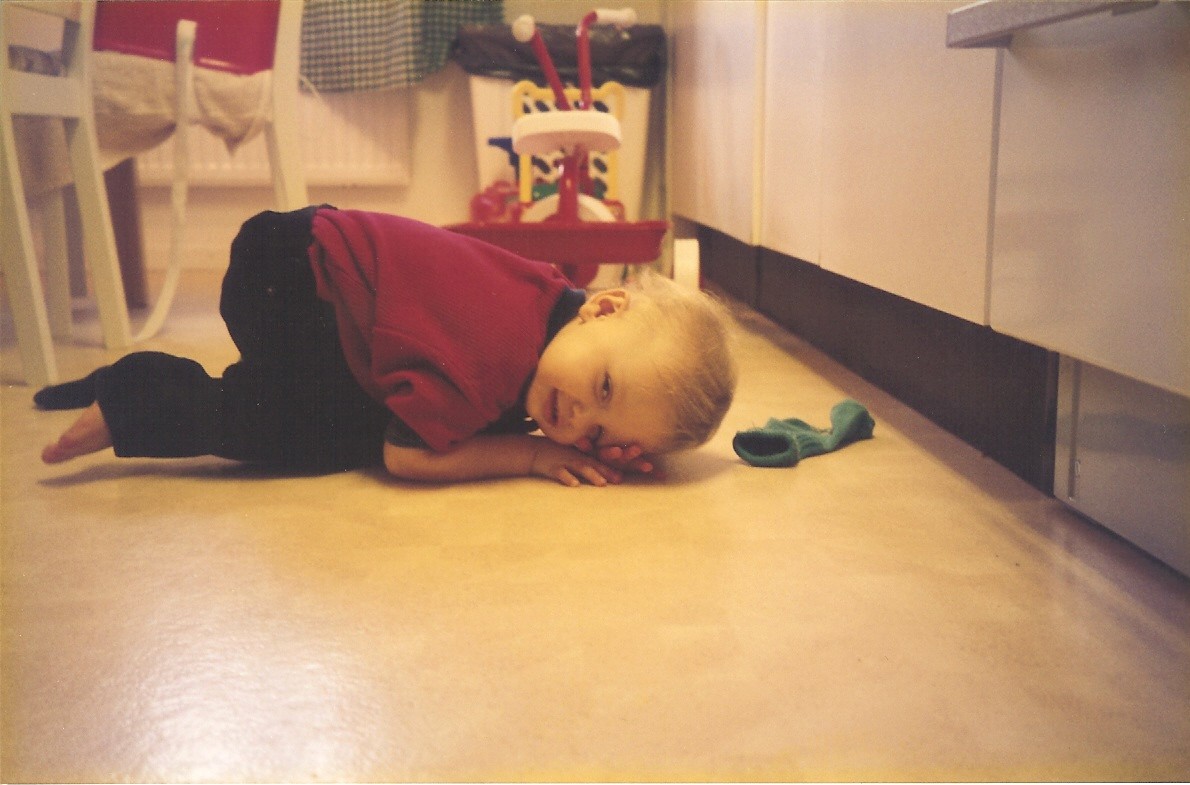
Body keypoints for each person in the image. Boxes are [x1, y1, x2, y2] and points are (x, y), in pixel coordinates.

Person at [37, 206, 737, 487]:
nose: (580, 418)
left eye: (601, 432)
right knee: (313, 436)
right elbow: (408, 456)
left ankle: (116, 381)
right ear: (604, 307)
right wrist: (531, 454)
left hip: (308, 255)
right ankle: (133, 400)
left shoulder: (556, 308)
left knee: (386, 414)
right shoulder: (495, 352)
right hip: (291, 285)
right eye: (605, 389)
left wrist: (602, 437)